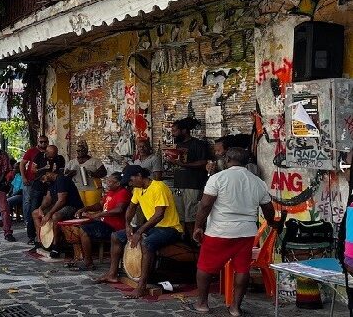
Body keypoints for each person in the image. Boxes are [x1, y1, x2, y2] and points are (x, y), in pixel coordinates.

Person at [192, 147, 277, 317]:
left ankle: (202, 303)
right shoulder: (257, 181)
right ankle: (235, 308)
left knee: (205, 267)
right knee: (242, 269)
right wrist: (273, 223)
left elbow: (205, 205)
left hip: (219, 231)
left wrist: (198, 226)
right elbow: (268, 209)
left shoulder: (218, 178)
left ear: (228, 158)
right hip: (246, 233)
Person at [96, 166, 183, 299]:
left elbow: (159, 215)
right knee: (116, 236)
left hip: (170, 228)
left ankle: (141, 286)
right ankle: (112, 274)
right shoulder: (137, 189)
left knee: (146, 243)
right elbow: (131, 208)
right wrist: (127, 225)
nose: (130, 184)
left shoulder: (158, 187)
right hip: (153, 227)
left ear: (139, 175)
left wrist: (140, 231)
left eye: (131, 180)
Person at [74, 172, 130, 271]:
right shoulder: (111, 192)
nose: (107, 183)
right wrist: (85, 208)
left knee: (84, 230)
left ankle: (88, 262)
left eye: (110, 181)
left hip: (114, 227)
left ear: (118, 183)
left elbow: (119, 209)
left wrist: (98, 215)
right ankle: (85, 257)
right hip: (105, 223)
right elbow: (100, 205)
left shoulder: (123, 192)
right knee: (81, 225)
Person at [166, 117, 210, 238]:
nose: (173, 133)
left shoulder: (198, 144)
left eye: (175, 130)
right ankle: (184, 244)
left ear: (184, 130)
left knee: (191, 216)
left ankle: (195, 242)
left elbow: (203, 162)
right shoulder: (177, 145)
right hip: (179, 183)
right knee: (180, 216)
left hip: (193, 184)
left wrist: (184, 165)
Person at [31, 167, 83, 258]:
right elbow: (47, 199)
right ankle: (40, 242)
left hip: (73, 207)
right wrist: (41, 208)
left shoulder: (62, 180)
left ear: (48, 173)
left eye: (43, 178)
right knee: (35, 213)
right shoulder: (50, 183)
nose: (43, 182)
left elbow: (61, 200)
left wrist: (49, 213)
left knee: (55, 216)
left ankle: (56, 245)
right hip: (60, 206)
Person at [27, 145, 66, 244]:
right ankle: (33, 236)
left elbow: (61, 172)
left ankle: (51, 238)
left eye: (54, 156)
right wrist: (44, 169)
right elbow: (33, 170)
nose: (52, 158)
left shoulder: (60, 158)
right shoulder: (39, 156)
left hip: (52, 186)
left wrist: (55, 172)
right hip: (38, 186)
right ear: (46, 153)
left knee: (50, 208)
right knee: (34, 209)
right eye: (50, 156)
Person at [65, 140, 107, 206]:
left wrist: (93, 174)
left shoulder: (95, 161)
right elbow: (65, 176)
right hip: (77, 189)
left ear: (87, 150)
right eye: (78, 151)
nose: (80, 152)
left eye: (83, 150)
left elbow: (104, 172)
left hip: (93, 189)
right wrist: (70, 173)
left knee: (92, 208)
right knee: (80, 208)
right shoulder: (71, 162)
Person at [20, 136, 48, 230]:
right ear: (38, 142)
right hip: (30, 180)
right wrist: (24, 177)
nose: (43, 144)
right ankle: (28, 222)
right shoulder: (31, 151)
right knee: (28, 201)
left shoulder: (49, 152)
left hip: (44, 181)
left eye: (45, 142)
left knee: (41, 202)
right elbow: (22, 164)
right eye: (41, 142)